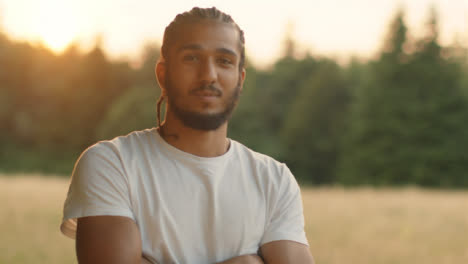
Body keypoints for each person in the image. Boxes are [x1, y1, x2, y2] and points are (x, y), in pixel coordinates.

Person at [60, 6, 314, 264]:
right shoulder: (112, 164)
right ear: (162, 74)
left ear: (240, 78)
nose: (208, 75)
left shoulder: (274, 181)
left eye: (224, 61)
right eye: (192, 58)